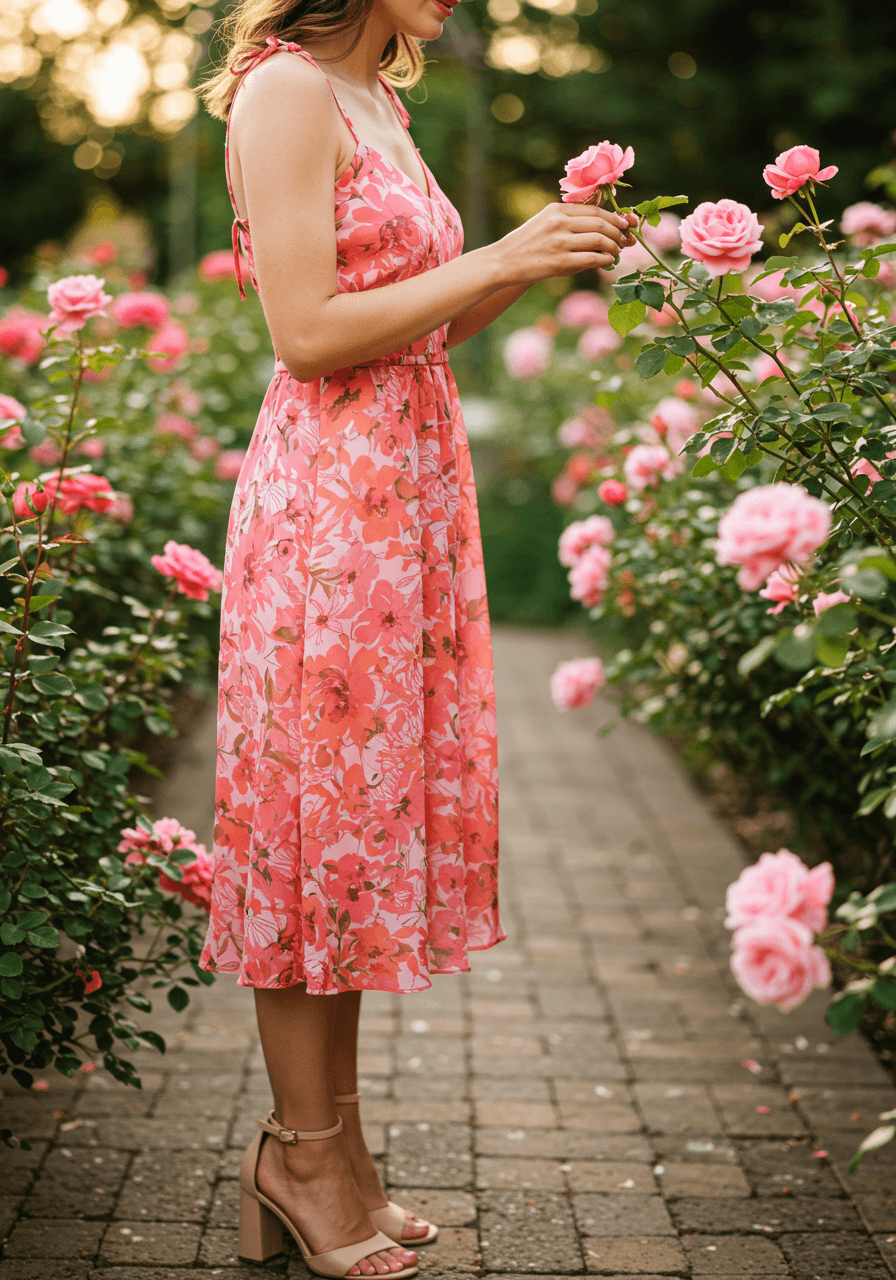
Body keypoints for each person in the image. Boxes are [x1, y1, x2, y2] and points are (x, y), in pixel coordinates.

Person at [198, 0, 634, 1273]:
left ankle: (331, 1148)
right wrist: (498, 254)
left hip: (402, 505)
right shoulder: (284, 94)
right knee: (306, 836)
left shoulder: (376, 101)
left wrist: (526, 263)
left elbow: (415, 330)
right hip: (330, 512)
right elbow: (309, 333)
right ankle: (301, 1151)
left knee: (345, 836)